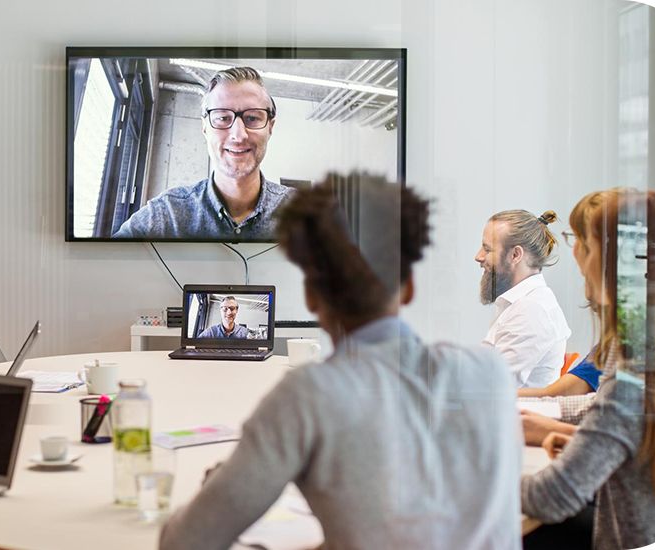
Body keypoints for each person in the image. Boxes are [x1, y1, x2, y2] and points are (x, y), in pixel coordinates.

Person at [160, 174, 522, 549]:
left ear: (311, 297)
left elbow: (184, 542)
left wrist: (221, 490)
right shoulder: (490, 372)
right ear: (410, 286)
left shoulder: (307, 398)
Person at [520, 188, 655, 548]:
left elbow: (553, 496)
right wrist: (577, 437)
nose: (573, 252)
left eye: (581, 241)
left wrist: (468, 470)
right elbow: (635, 422)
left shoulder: (637, 363)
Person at [113, 66, 295, 239]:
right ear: (205, 127)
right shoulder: (166, 216)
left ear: (270, 127)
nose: (238, 135)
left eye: (252, 118)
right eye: (223, 118)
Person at [475, 209, 571, 388]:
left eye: (487, 249)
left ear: (515, 255)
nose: (478, 256)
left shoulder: (532, 310)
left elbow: (490, 388)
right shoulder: (519, 304)